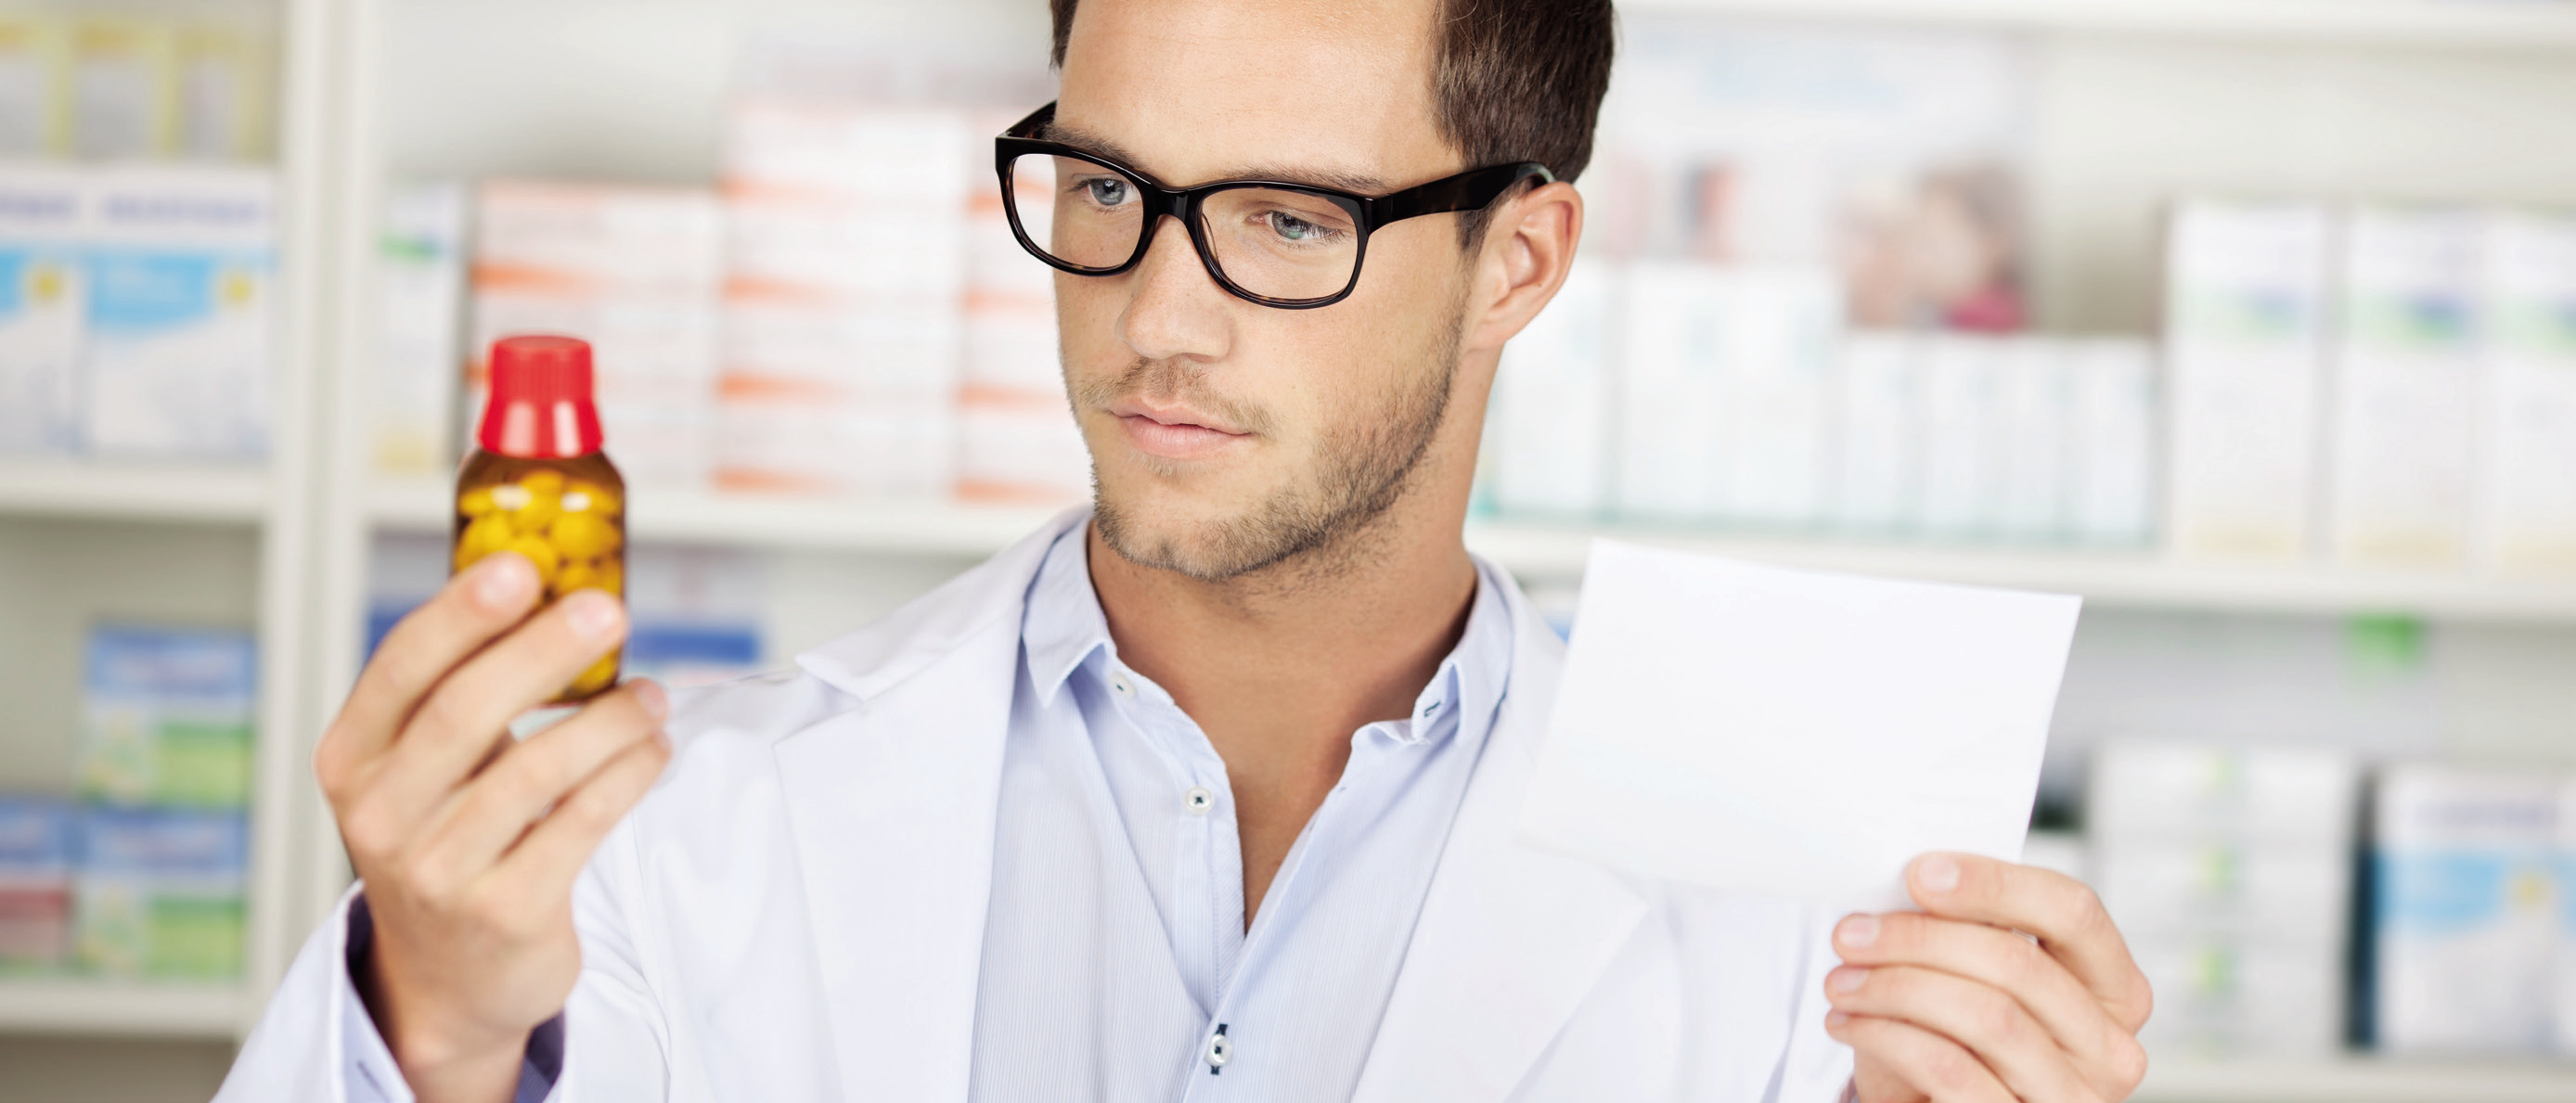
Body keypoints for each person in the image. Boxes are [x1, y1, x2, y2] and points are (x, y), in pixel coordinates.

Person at [218, 0, 2153, 1099]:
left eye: (1291, 221)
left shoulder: (1804, 954)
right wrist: (439, 1026)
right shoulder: (685, 837)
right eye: (1108, 188)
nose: (1155, 311)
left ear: (1522, 262)